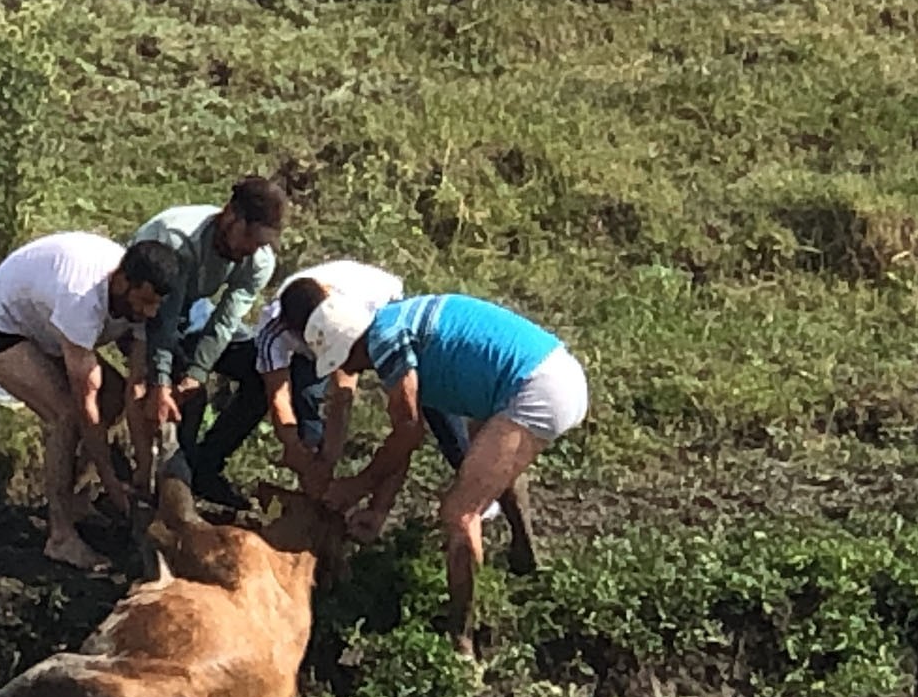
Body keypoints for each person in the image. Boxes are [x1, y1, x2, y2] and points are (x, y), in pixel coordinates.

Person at [308, 293, 589, 657]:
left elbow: (408, 432)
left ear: (352, 343)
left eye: (343, 359)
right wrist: (378, 507)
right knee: (490, 462)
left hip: (537, 386)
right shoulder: (396, 324)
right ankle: (524, 557)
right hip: (542, 373)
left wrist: (356, 486)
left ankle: (462, 638)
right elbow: (406, 435)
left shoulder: (385, 341)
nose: (349, 369)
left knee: (460, 514)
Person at [190, 262, 513, 533]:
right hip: (317, 341)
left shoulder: (357, 313)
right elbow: (278, 397)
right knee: (305, 400)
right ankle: (316, 494)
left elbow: (345, 394)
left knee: (426, 401)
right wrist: (303, 455)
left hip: (379, 309)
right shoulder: (274, 333)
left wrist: (351, 476)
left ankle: (472, 480)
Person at [0, 232, 182, 571]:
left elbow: (134, 388)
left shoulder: (140, 304)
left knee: (113, 397)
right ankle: (60, 536)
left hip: (47, 329)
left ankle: (73, 497)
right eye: (143, 301)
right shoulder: (82, 298)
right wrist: (109, 481)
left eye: (155, 305)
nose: (148, 312)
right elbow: (83, 405)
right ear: (122, 281)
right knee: (64, 416)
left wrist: (142, 472)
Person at [127, 177, 286, 507]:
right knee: (187, 402)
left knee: (260, 373)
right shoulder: (177, 238)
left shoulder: (257, 260)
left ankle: (206, 468)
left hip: (195, 312)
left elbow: (227, 319)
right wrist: (162, 379)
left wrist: (197, 373)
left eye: (258, 245)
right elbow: (162, 318)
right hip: (141, 308)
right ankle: (169, 491)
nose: (248, 250)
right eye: (247, 238)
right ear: (230, 215)